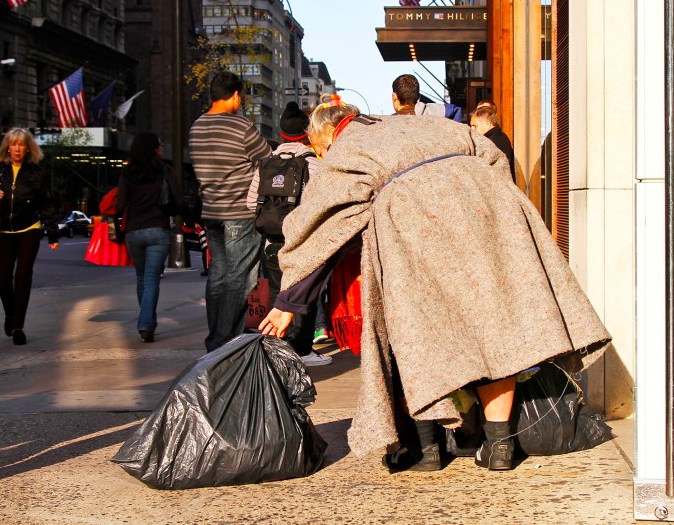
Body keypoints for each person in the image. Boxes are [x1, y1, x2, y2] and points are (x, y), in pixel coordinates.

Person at [260, 100, 610, 472]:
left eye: (319, 148)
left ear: (329, 132)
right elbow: (494, 159)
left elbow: (323, 231)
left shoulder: (348, 147)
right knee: (496, 330)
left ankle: (425, 450)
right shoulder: (429, 127)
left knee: (415, 333)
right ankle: (500, 445)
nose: (323, 154)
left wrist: (290, 302)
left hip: (418, 220)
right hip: (489, 208)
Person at [188, 70, 272, 352]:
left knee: (218, 275)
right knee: (241, 276)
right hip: (240, 211)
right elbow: (267, 159)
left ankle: (215, 338)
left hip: (211, 211)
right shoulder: (241, 126)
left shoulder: (196, 126)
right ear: (236, 95)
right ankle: (225, 341)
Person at [246, 102, 330, 366]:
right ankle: (303, 350)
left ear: (281, 133)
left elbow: (251, 203)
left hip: (272, 241)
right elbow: (320, 201)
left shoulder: (265, 163)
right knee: (303, 291)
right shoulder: (311, 163)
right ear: (306, 133)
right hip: (302, 240)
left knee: (275, 291)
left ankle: (279, 348)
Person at [117, 132, 190, 343]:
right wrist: (188, 219)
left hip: (134, 232)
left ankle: (146, 320)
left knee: (141, 277)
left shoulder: (127, 173)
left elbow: (120, 205)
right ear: (153, 149)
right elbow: (179, 200)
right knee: (151, 278)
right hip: (158, 230)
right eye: (159, 145)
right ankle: (146, 323)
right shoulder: (164, 171)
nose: (161, 148)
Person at [0, 128, 61, 346]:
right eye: (13, 144)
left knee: (22, 277)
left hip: (28, 230)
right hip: (4, 232)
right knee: (2, 279)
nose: (16, 149)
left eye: (21, 144)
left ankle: (17, 326)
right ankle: (9, 313)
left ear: (27, 148)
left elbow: (47, 204)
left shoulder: (36, 172)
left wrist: (52, 233)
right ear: (7, 147)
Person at [470, 102, 516, 181]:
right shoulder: (499, 137)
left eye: (475, 126)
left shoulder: (493, 141)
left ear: (487, 123)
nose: (472, 129)